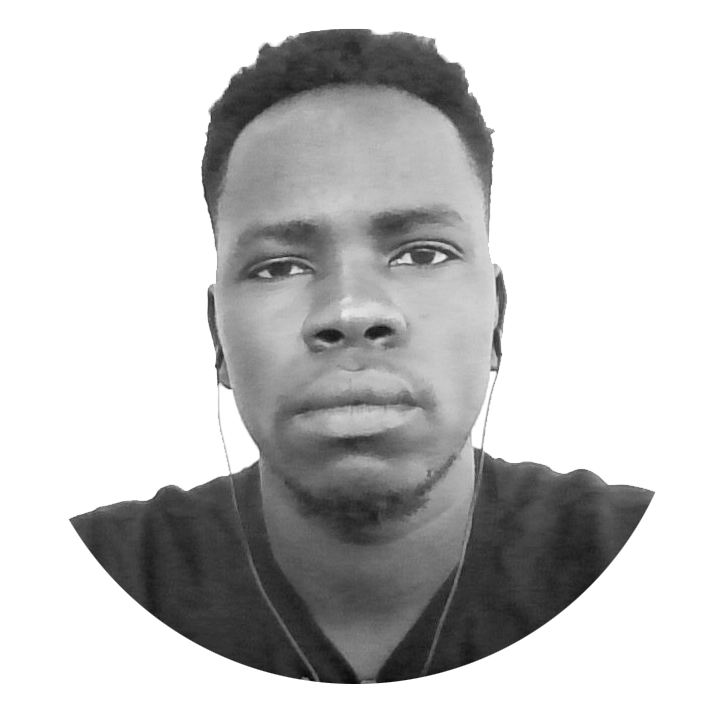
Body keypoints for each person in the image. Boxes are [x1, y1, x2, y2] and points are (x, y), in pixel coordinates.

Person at [70, 29, 654, 684]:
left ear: (497, 318)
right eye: (279, 266)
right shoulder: (77, 586)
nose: (351, 311)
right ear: (218, 340)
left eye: (422, 254)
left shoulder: (655, 565)